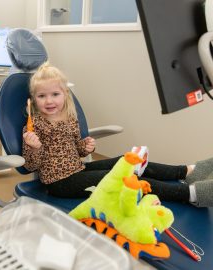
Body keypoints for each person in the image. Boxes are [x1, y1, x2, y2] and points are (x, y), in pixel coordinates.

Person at [22, 62, 213, 207]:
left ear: (65, 94)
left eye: (55, 94)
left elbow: (76, 151)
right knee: (125, 178)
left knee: (129, 160)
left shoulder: (69, 118)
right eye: (42, 96)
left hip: (78, 169)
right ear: (34, 100)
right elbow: (31, 165)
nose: (49, 100)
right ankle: (190, 194)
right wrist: (34, 148)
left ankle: (188, 171)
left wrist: (86, 146)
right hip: (60, 183)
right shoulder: (34, 127)